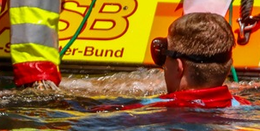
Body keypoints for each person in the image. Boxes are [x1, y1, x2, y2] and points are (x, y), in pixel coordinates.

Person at [97, 13, 247, 110]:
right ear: (228, 68)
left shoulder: (146, 110)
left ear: (178, 67)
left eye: (163, 56)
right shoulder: (245, 107)